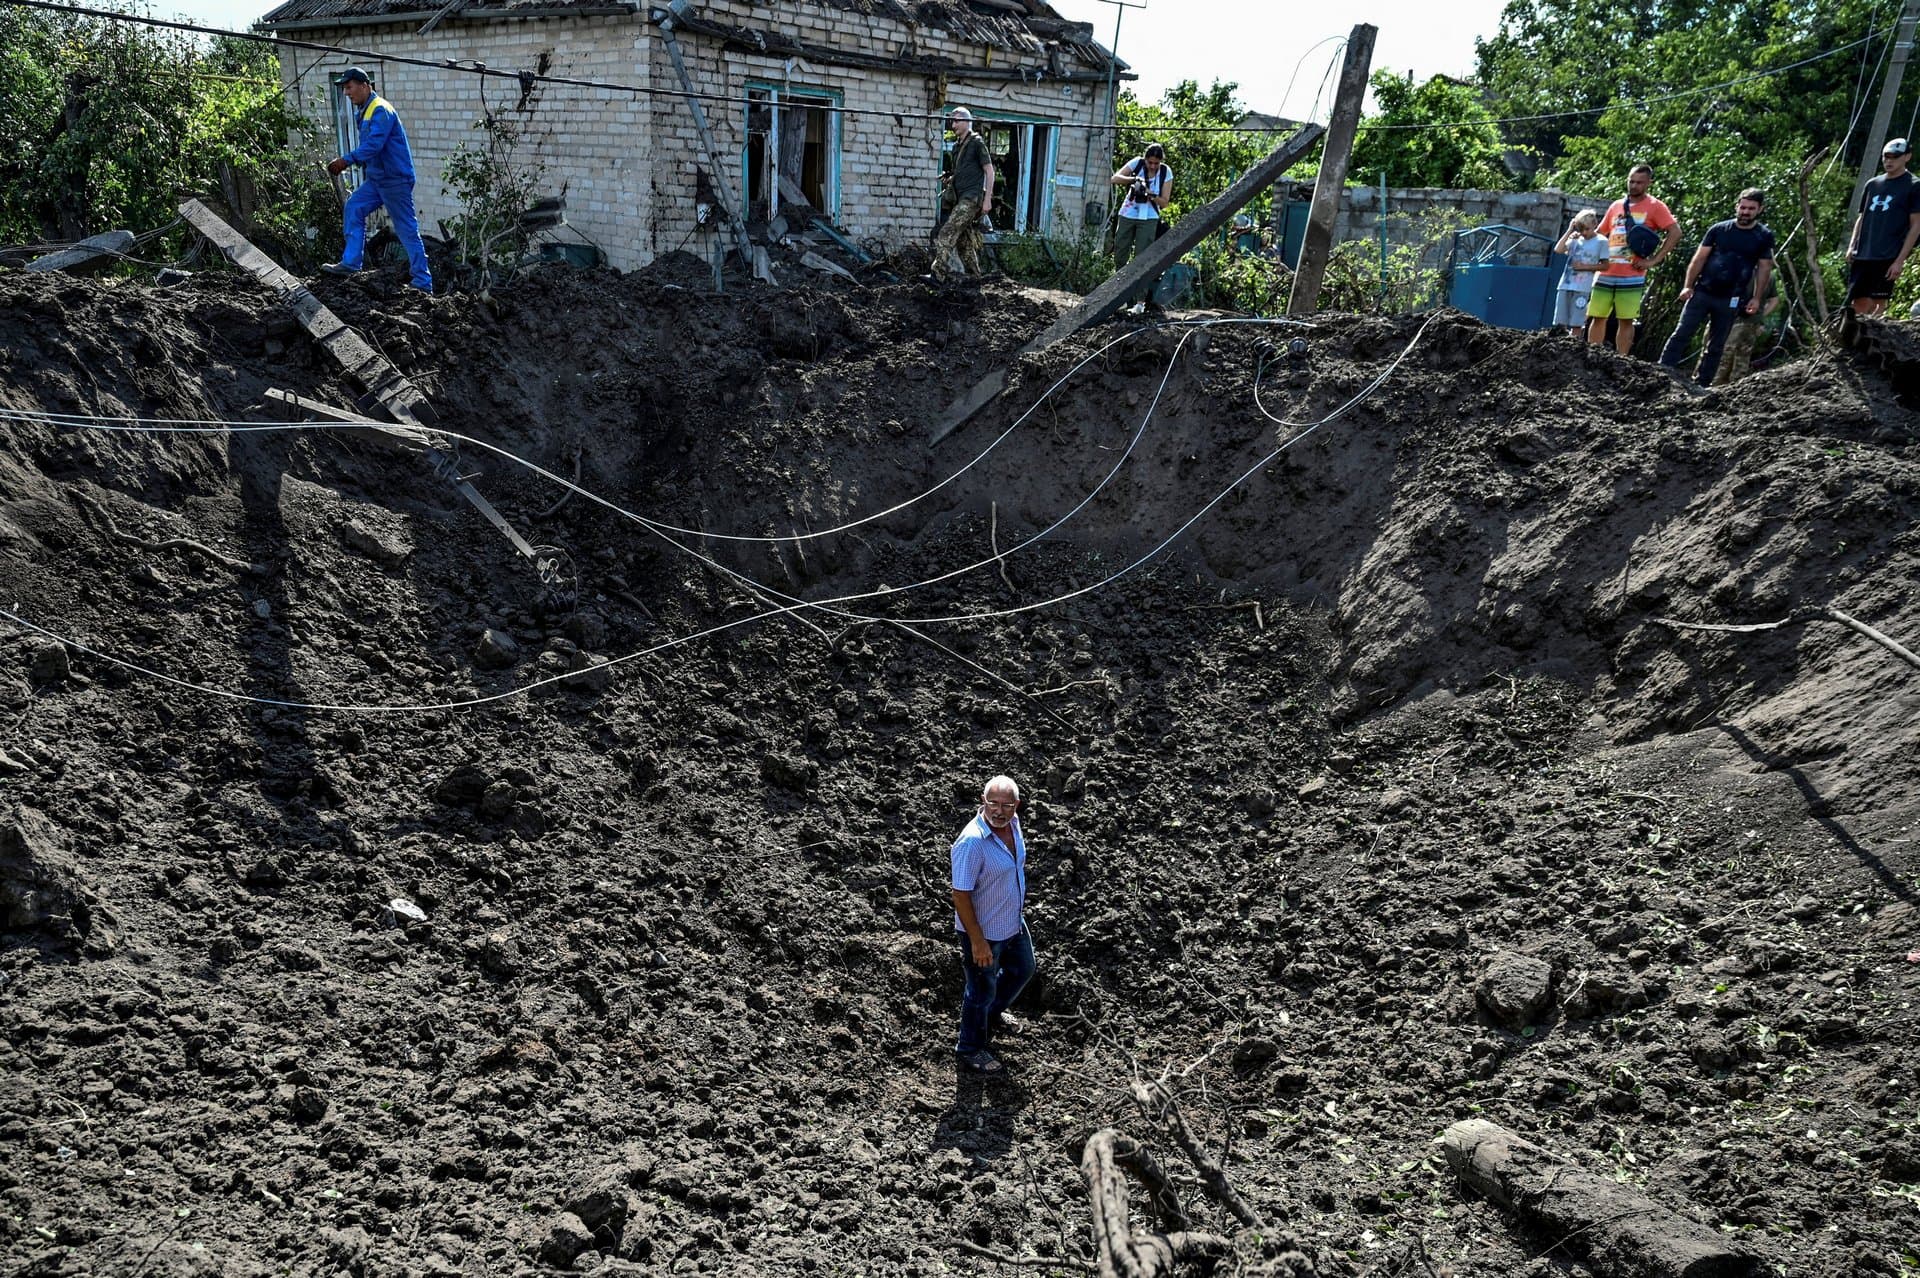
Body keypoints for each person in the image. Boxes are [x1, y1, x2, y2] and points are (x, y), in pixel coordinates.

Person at [321, 68, 433, 294]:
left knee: (406, 229)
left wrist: (346, 160)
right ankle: (351, 264)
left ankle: (422, 282)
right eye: (344, 88)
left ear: (365, 85)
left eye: (349, 87)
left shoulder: (380, 109)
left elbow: (374, 145)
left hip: (395, 180)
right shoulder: (365, 110)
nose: (346, 93)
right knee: (354, 207)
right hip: (378, 179)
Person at [950, 774, 1033, 1075]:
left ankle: (991, 1015)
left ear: (1016, 806)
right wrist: (977, 941)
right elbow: (960, 895)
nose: (999, 811)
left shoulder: (1012, 825)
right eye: (992, 804)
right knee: (980, 989)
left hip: (1012, 921)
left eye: (1006, 805)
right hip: (984, 932)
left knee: (1023, 968)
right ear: (982, 802)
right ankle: (969, 1047)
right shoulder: (972, 842)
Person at [1658, 188, 1775, 387]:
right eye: (1743, 207)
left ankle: (1701, 383)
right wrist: (1687, 286)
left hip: (1732, 298)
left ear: (1760, 209)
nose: (1745, 212)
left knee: (1717, 344)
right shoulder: (1719, 230)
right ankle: (1662, 371)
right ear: (1737, 206)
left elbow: (1765, 268)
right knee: (1682, 332)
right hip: (1703, 291)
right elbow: (1699, 258)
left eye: (1751, 209)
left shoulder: (1763, 235)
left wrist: (1756, 297)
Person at [1586, 163, 1680, 354]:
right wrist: (1580, 237)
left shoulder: (1655, 206)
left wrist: (1653, 260)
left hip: (1632, 274)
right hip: (1605, 271)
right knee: (1597, 316)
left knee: (1626, 319)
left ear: (1648, 183)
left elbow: (1675, 232)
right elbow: (1600, 233)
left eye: (1639, 182)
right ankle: (1591, 355)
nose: (1634, 185)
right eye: (1631, 181)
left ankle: (1622, 360)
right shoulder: (1616, 205)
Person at [1845, 136, 1920, 316]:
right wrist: (1852, 245)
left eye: (1894, 156)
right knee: (1857, 302)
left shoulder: (1914, 185)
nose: (1889, 161)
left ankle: (1873, 340)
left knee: (1877, 303)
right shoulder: (1872, 184)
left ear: (1907, 156)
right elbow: (1862, 218)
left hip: (1888, 254)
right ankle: (1853, 339)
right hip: (1864, 252)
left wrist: (1900, 260)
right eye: (1886, 156)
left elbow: (1916, 225)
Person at [932, 107, 994, 278]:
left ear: (967, 122)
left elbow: (989, 171)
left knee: (947, 231)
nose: (953, 124)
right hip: (960, 199)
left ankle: (937, 275)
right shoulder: (957, 147)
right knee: (963, 241)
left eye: (957, 120)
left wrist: (987, 200)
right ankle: (975, 277)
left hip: (971, 199)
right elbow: (962, 172)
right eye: (952, 121)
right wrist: (950, 178)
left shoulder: (976, 143)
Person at [1111, 143, 1173, 310]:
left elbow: (1165, 203)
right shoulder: (1137, 163)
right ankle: (1119, 297)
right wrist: (1134, 180)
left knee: (1142, 258)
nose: (1152, 166)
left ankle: (1140, 302)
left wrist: (1151, 194)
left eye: (1156, 163)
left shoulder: (1166, 172)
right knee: (1120, 253)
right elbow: (1115, 178)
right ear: (1145, 159)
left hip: (1149, 217)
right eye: (1150, 162)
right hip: (1128, 213)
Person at [1552, 209, 1607, 335]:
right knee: (1560, 322)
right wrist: (1570, 230)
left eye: (1587, 229)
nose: (1584, 232)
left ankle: (1573, 348)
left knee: (1577, 323)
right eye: (1581, 229)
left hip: (1582, 288)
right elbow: (1558, 249)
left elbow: (1605, 265)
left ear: (1594, 224)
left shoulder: (1601, 241)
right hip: (1565, 285)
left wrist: (1584, 267)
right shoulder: (1575, 239)